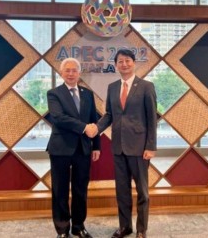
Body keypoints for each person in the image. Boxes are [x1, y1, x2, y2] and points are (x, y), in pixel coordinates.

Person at [95, 49, 157, 238]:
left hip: (139, 148)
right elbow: (109, 115)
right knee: (121, 191)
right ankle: (125, 227)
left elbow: (151, 118)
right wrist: (96, 128)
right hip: (118, 147)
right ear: (116, 65)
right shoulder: (113, 87)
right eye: (120, 61)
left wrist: (150, 146)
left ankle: (141, 229)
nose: (124, 64)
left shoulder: (146, 86)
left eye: (127, 60)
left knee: (142, 192)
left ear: (134, 63)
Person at [46, 57, 101, 238]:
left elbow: (94, 121)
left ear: (79, 73)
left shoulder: (87, 94)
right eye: (67, 70)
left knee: (80, 189)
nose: (71, 73)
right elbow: (58, 118)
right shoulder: (54, 93)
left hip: (83, 149)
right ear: (62, 73)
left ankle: (78, 226)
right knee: (60, 189)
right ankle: (62, 229)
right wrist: (84, 127)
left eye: (74, 70)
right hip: (60, 148)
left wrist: (96, 146)